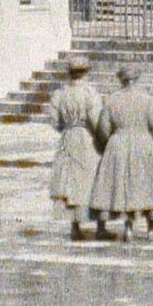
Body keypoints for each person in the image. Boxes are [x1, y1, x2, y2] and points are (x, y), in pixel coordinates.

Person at [90, 64, 153, 240]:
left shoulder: (112, 100)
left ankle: (127, 227)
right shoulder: (147, 99)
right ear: (137, 79)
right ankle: (151, 228)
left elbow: (103, 129)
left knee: (122, 186)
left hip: (118, 144)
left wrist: (106, 147)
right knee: (148, 185)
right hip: (144, 144)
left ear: (121, 80)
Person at [48, 56, 107, 242]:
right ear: (86, 72)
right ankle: (100, 226)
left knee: (71, 182)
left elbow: (55, 121)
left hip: (68, 138)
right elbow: (96, 121)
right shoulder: (90, 94)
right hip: (87, 139)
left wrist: (68, 128)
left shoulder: (60, 94)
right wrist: (103, 139)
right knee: (94, 180)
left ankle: (75, 226)